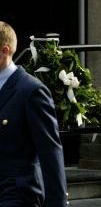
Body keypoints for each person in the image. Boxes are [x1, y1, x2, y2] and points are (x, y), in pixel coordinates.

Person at [0, 21, 68, 207]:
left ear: (4, 51)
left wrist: (58, 203)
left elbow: (50, 151)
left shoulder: (31, 91)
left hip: (16, 193)